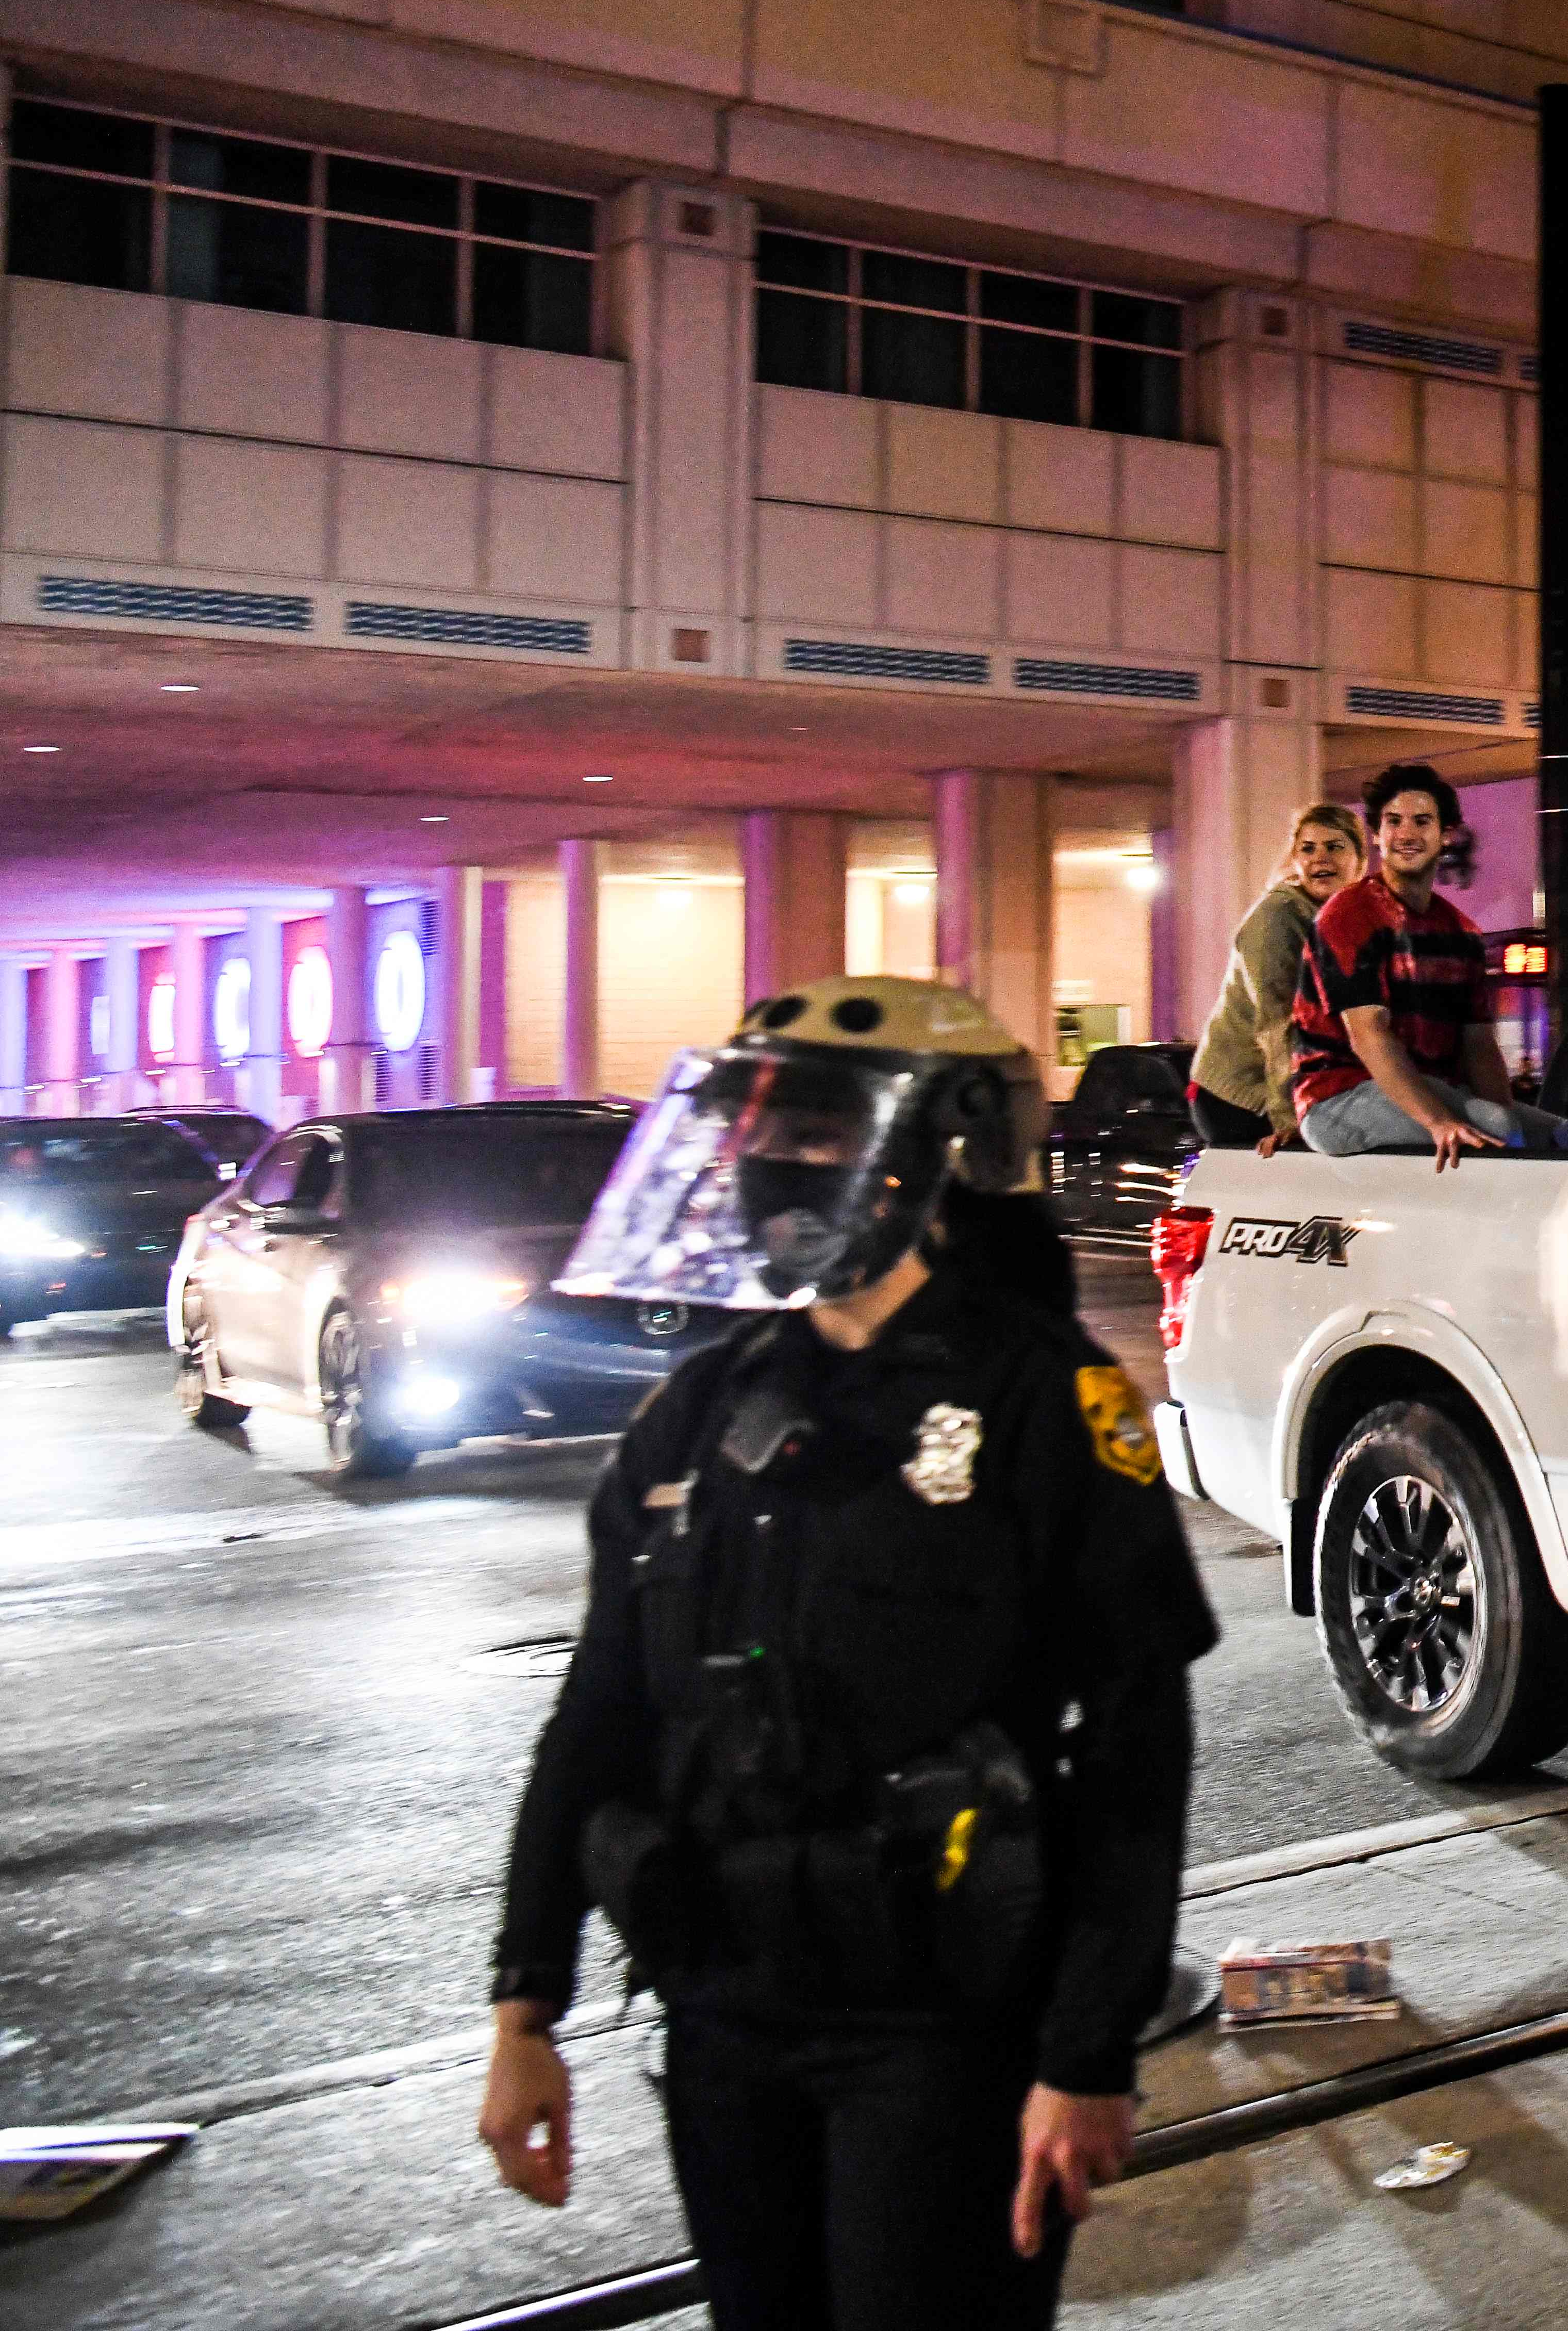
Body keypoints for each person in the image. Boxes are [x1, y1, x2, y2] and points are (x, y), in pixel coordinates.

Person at [478, 976, 1218, 2328]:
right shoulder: (700, 1414)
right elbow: (599, 1715)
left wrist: (1086, 2053)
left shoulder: (1045, 1398)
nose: (779, 1164)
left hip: (943, 2028)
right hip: (722, 2009)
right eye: (761, 1130)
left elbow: (1133, 1750)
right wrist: (526, 2003)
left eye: (819, 1130)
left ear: (930, 1152)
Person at [1284, 763, 1527, 1169]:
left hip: (1429, 1088)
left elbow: (1479, 1047)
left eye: (1422, 821)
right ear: (1377, 835)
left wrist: (1526, 1142)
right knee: (1497, 1129)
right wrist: (1439, 1122)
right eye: (1394, 821)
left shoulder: (1462, 932)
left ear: (1446, 834)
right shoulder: (1350, 914)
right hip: (1337, 1097)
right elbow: (1369, 1035)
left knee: (1557, 1139)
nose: (1407, 834)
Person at [1187, 802, 1364, 1147]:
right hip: (1240, 1096)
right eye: (1308, 849)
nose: (1320, 858)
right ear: (1295, 860)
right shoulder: (1279, 920)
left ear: (1359, 860)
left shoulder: (1345, 919)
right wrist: (1291, 1121)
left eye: (1334, 847)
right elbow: (1278, 1027)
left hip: (1313, 1084)